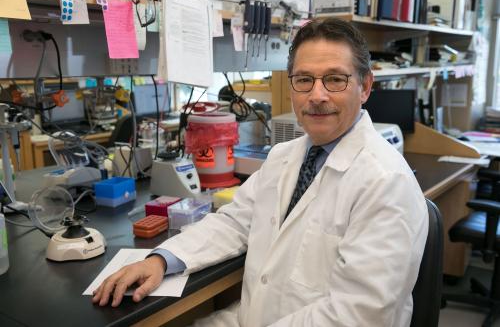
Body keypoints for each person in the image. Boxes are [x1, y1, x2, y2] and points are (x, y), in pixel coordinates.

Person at [92, 17, 428, 327]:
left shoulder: (387, 183)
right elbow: (235, 221)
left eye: (335, 79)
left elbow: (359, 314)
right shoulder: (286, 156)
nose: (317, 95)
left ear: (365, 87)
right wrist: (163, 259)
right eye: (304, 80)